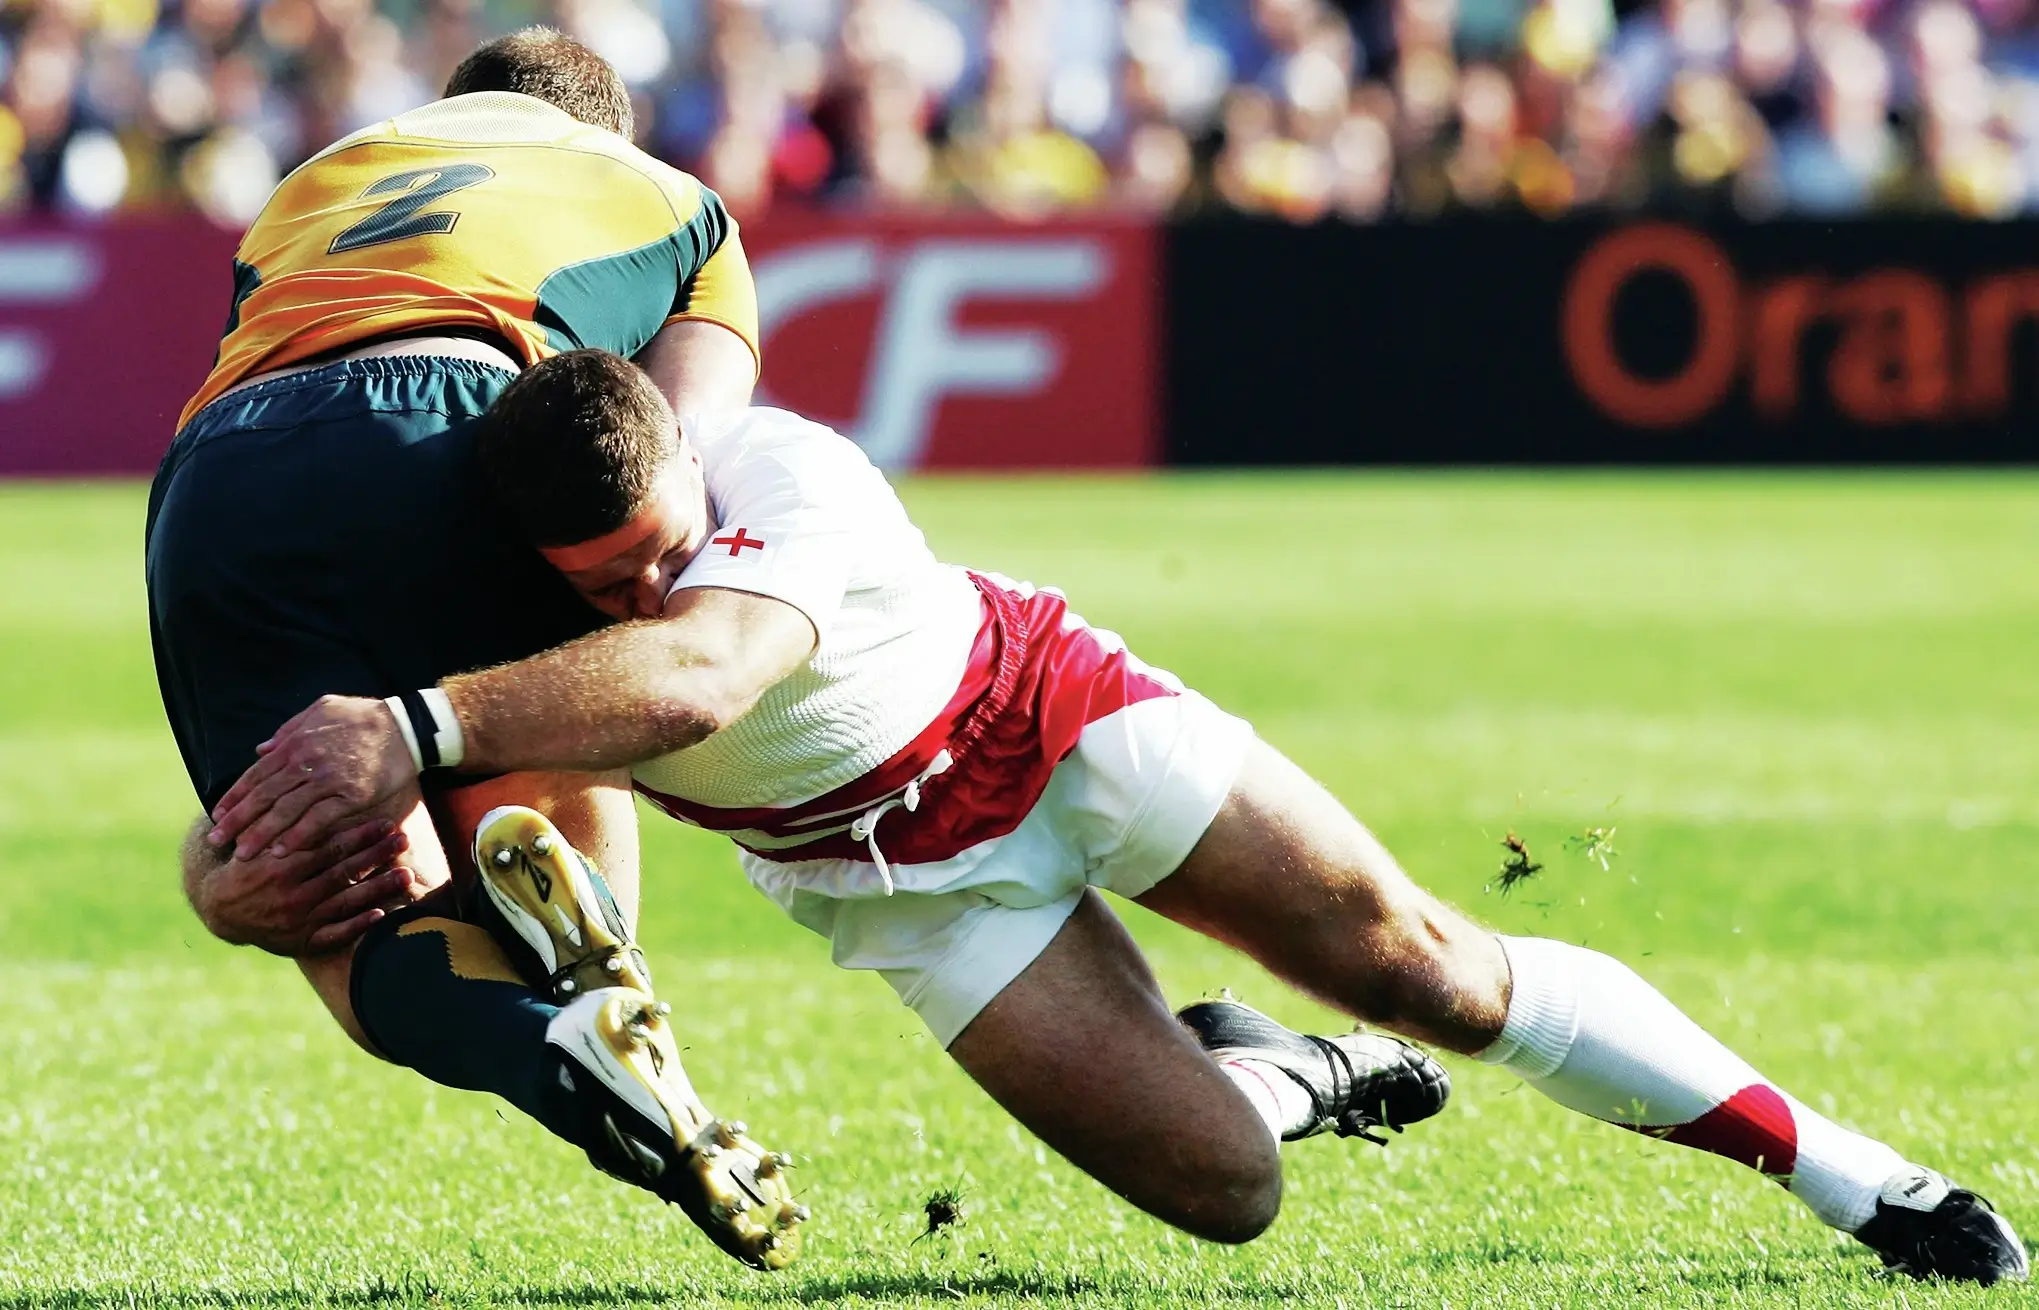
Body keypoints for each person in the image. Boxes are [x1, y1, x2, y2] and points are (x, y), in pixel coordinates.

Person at [212, 350, 2028, 1285]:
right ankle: (1287, 1075)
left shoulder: (787, 480)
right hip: (895, 886)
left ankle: (1859, 1182)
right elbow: (343, 860)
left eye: (666, 541)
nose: (654, 578)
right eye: (610, 576)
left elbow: (692, 682)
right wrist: (242, 872)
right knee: (1223, 1197)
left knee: (1426, 969)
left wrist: (417, 725)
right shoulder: (519, 603)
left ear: (695, 464)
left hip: (1048, 714)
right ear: (539, 559)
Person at [146, 31, 801, 1267]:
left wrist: (215, 860)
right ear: (603, 127)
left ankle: (542, 1052)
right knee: (541, 788)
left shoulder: (318, 176)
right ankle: (609, 1001)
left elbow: (278, 360)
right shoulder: (675, 201)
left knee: (324, 899)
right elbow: (669, 449)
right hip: (457, 411)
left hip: (218, 474)